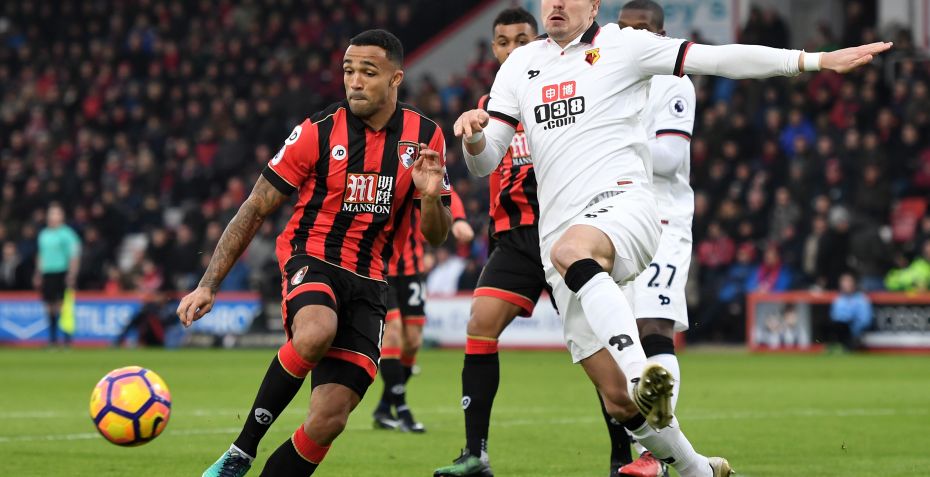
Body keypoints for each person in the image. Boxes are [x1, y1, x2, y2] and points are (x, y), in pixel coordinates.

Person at [454, 0, 890, 475]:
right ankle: (696, 469)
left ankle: (642, 371)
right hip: (557, 237)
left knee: (575, 256)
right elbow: (485, 161)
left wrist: (813, 60)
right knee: (617, 400)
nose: (556, 4)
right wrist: (474, 137)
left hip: (625, 206)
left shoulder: (624, 46)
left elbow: (719, 59)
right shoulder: (521, 65)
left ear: (594, 5)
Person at [176, 29, 452, 477]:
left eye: (368, 72)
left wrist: (432, 194)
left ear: (396, 78)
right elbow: (256, 206)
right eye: (348, 71)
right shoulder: (317, 131)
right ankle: (241, 451)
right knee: (317, 330)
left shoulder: (425, 137)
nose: (355, 81)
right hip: (313, 256)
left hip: (371, 279)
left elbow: (435, 235)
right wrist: (209, 285)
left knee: (329, 420)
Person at [434, 7, 548, 477]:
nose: (512, 49)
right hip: (513, 238)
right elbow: (482, 167)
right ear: (494, 49)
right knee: (480, 324)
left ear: (540, 42)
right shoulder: (490, 104)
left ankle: (627, 455)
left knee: (595, 346)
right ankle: (475, 455)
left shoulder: (564, 90)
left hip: (564, 231)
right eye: (503, 42)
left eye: (522, 39)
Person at [606, 2, 698, 476]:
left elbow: (669, 156)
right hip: (620, 216)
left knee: (654, 325)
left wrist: (617, 140)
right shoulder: (614, 79)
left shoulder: (674, 82)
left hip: (663, 219)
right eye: (624, 29)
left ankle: (654, 455)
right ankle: (648, 450)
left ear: (661, 36)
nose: (632, 37)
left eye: (641, 29)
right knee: (621, 334)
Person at [373, 189, 471, 433]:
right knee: (393, 333)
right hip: (380, 270)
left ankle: (385, 406)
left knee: (413, 342)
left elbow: (445, 190)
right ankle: (402, 408)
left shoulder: (414, 173)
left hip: (412, 270)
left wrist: (458, 219)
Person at [35, 203, 81, 346]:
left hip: (61, 272)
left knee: (62, 307)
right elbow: (41, 255)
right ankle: (52, 339)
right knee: (48, 307)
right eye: (51, 213)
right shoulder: (43, 234)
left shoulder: (67, 234)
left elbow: (74, 256)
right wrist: (38, 273)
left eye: (56, 213)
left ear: (62, 216)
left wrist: (72, 274)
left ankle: (67, 339)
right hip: (47, 273)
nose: (53, 216)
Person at [829, 272, 873, 350]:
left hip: (856, 332)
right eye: (844, 281)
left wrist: (852, 327)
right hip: (840, 330)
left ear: (854, 283)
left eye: (849, 281)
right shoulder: (838, 299)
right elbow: (834, 317)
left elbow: (865, 320)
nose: (847, 284)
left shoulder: (861, 299)